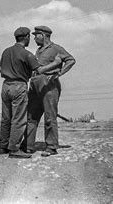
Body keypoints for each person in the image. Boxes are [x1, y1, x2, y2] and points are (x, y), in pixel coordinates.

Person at [0, 27, 62, 159]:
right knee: (19, 119)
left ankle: (3, 147)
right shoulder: (27, 54)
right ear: (26, 37)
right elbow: (39, 70)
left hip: (5, 86)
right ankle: (14, 149)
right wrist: (56, 63)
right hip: (19, 86)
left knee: (6, 118)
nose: (32, 39)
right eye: (30, 36)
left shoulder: (6, 51)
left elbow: (0, 68)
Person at [24, 25, 76, 157]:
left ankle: (51, 147)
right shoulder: (38, 50)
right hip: (35, 84)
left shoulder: (56, 48)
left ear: (44, 35)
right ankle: (29, 145)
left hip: (49, 85)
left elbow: (71, 60)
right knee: (31, 116)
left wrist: (59, 74)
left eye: (36, 35)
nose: (34, 38)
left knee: (49, 116)